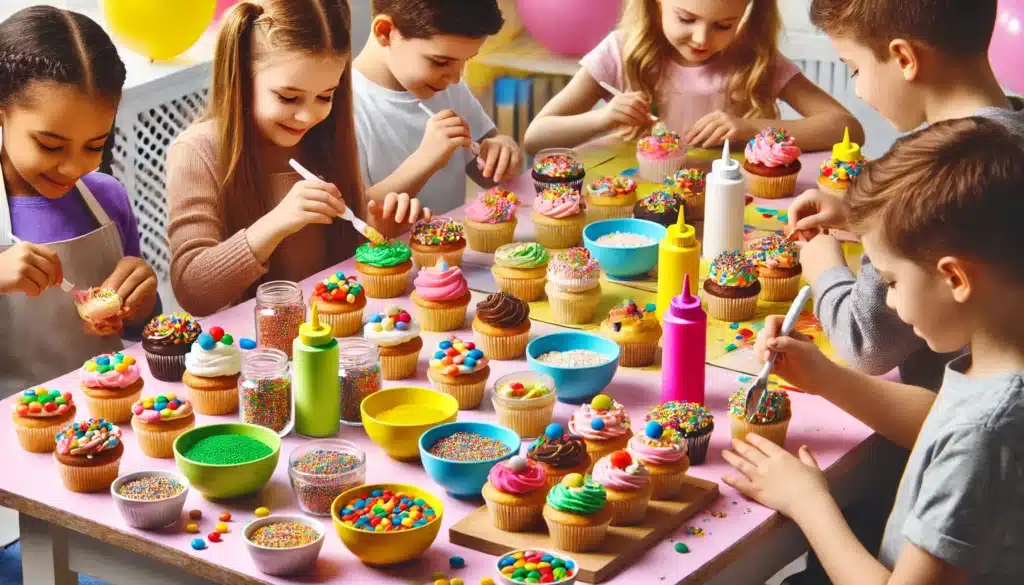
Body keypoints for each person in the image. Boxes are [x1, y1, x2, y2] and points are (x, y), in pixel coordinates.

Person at [731, 117, 1024, 585]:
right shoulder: (1000, 357)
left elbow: (968, 434)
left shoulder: (983, 435)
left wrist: (810, 503)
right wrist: (824, 376)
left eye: (890, 281)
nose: (887, 299)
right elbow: (941, 421)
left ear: (955, 279)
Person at [789, 0, 1024, 391]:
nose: (859, 91)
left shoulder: (931, 175)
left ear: (903, 57)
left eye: (855, 70)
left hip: (937, 426)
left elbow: (866, 343)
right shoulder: (1008, 145)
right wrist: (858, 214)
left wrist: (824, 267)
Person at [168, 0, 429, 316]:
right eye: (288, 97)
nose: (307, 115)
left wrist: (378, 230)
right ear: (243, 76)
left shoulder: (325, 137)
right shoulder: (197, 151)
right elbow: (192, 291)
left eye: (325, 96)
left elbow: (336, 268)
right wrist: (277, 222)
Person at [0, 6, 160, 397]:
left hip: (106, 415)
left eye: (95, 146)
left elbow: (140, 333)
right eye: (50, 144)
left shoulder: (107, 199)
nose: (74, 167)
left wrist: (142, 308)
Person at [523, 0, 861, 154]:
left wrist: (750, 129)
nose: (702, 39)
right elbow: (537, 137)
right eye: (686, 18)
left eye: (723, 26)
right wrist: (605, 118)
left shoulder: (755, 60)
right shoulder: (619, 52)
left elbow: (847, 128)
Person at [352, 0, 523, 213]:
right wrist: (425, 159)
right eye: (440, 62)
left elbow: (487, 173)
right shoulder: (341, 107)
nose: (454, 78)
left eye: (466, 60)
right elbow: (356, 217)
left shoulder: (447, 87)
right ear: (385, 32)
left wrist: (502, 152)